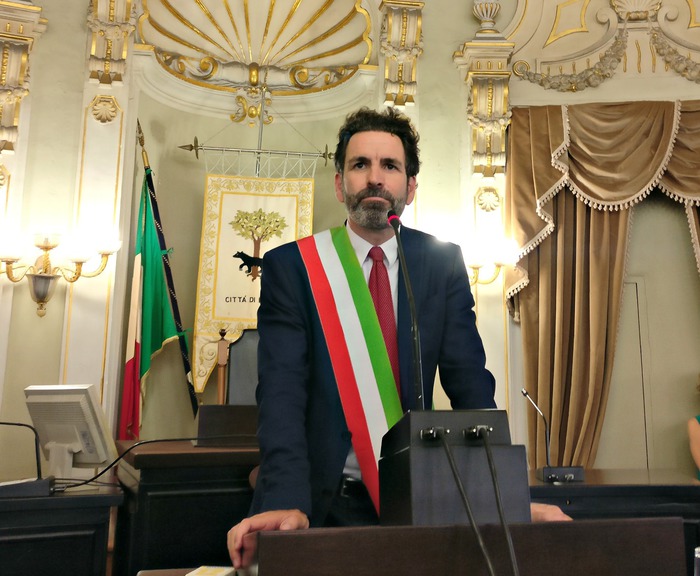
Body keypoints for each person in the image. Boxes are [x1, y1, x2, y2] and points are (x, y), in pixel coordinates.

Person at [228, 107, 570, 570]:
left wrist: (505, 499)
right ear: (339, 184)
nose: (375, 178)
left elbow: (471, 387)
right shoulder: (293, 267)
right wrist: (286, 502)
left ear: (410, 187)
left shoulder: (440, 264)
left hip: (420, 501)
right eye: (360, 164)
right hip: (318, 506)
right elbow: (281, 394)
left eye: (389, 166)